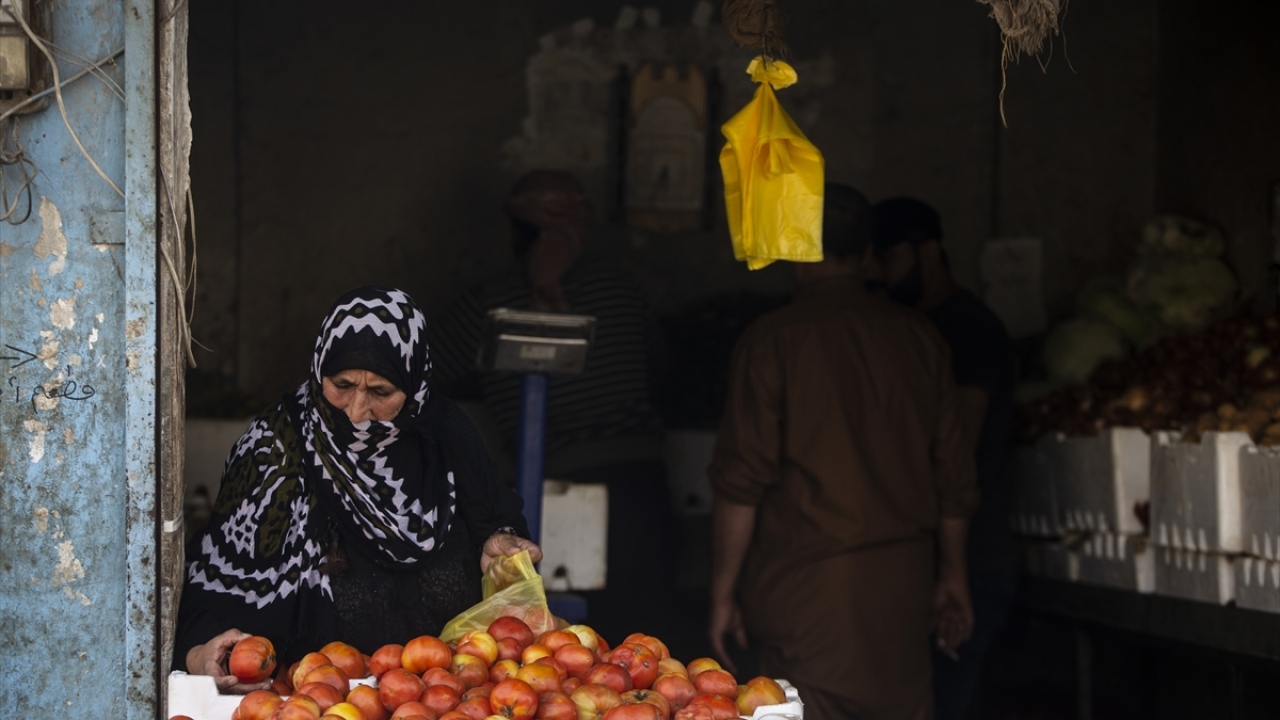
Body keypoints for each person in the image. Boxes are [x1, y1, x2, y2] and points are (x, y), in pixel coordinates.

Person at [175, 286, 542, 692]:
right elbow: (217, 583)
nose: (356, 411)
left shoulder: (445, 434)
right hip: (309, 702)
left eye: (380, 392)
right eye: (342, 384)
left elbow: (497, 520)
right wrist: (200, 653)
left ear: (414, 385)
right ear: (319, 368)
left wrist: (501, 546)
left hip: (445, 696)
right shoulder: (272, 449)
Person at [708, 184, 978, 720]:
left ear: (793, 246)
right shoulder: (920, 337)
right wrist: (953, 574)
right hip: (903, 587)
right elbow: (954, 476)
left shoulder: (774, 339)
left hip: (809, 590)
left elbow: (741, 484)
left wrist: (722, 593)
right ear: (869, 253)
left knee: (808, 708)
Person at [428, 170, 675, 645]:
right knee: (642, 642)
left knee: (548, 643)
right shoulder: (622, 287)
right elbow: (661, 368)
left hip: (562, 485)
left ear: (518, 232)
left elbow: (418, 370)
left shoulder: (492, 300)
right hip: (639, 484)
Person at [869, 197, 1018, 720]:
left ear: (928, 251)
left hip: (970, 560)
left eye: (888, 257)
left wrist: (948, 570)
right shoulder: (914, 328)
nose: (880, 274)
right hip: (933, 560)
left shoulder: (966, 330)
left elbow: (956, 445)